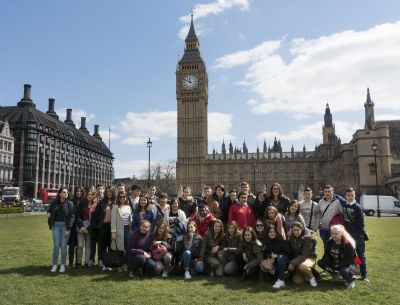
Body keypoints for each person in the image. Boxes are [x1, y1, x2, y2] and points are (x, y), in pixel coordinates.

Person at [317, 224, 360, 289]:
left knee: (343, 270)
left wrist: (336, 267)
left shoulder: (347, 244)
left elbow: (349, 260)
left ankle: (351, 281)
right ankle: (335, 275)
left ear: (341, 234)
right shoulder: (330, 242)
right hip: (338, 263)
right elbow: (326, 255)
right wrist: (326, 266)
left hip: (352, 266)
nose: (333, 235)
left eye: (336, 234)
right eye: (332, 233)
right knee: (321, 262)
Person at [47, 186, 76, 273]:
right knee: (56, 246)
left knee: (63, 246)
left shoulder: (70, 204)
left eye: (66, 192)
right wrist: (48, 213)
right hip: (56, 226)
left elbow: (72, 217)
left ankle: (62, 265)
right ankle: (55, 265)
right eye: (64, 192)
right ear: (59, 193)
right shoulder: (54, 202)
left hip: (65, 227)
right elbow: (49, 210)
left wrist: (68, 229)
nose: (66, 194)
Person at [342, 187, 368, 282]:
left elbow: (361, 223)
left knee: (361, 256)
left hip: (357, 236)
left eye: (352, 195)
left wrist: (360, 235)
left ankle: (364, 275)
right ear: (345, 196)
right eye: (348, 195)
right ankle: (356, 272)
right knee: (353, 256)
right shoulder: (344, 204)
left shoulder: (357, 207)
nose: (350, 197)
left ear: (354, 195)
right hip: (349, 236)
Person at [287, 222, 318, 287]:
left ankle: (312, 278)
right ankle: (305, 275)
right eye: (294, 230)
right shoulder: (291, 239)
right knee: (297, 281)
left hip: (309, 258)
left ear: (302, 230)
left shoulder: (307, 238)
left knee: (303, 266)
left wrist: (292, 263)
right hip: (299, 260)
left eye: (298, 230)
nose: (296, 232)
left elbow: (304, 255)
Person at [260, 224, 290, 288]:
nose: (272, 233)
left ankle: (281, 280)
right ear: (267, 233)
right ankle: (281, 276)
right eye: (270, 232)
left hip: (284, 261)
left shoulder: (281, 241)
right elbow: (265, 255)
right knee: (264, 266)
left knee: (280, 257)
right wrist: (270, 256)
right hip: (273, 263)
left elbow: (288, 253)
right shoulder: (265, 243)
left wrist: (277, 255)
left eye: (274, 232)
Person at [91, 186, 114, 271]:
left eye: (111, 191)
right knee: (102, 245)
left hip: (112, 227)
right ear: (105, 192)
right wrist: (96, 225)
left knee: (111, 245)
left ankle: (110, 263)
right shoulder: (101, 202)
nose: (109, 193)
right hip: (103, 226)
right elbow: (96, 215)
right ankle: (102, 262)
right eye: (108, 191)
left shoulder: (115, 202)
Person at [318, 184, 345, 251]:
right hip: (323, 229)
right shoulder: (321, 201)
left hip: (334, 230)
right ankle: (327, 261)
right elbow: (319, 214)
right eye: (325, 191)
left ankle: (336, 260)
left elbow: (342, 214)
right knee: (326, 247)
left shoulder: (337, 202)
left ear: (333, 192)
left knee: (336, 247)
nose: (327, 193)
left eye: (329, 191)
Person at [111, 191, 132, 272]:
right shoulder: (115, 207)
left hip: (127, 229)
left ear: (126, 198)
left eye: (124, 197)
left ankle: (125, 264)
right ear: (118, 198)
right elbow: (113, 221)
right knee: (119, 248)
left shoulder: (128, 207)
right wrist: (113, 232)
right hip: (119, 229)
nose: (122, 198)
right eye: (120, 197)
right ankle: (119, 265)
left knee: (127, 248)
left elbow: (130, 220)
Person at [76, 190, 97, 268]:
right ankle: (78, 262)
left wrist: (89, 228)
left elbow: (95, 220)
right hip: (81, 227)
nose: (89, 196)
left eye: (91, 195)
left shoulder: (95, 205)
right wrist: (81, 226)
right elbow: (77, 216)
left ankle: (86, 263)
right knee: (80, 245)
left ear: (93, 196)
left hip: (90, 228)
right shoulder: (82, 204)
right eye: (88, 194)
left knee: (88, 246)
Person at [68, 186, 85, 268]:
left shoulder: (84, 201)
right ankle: (71, 263)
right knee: (71, 246)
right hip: (72, 226)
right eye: (77, 191)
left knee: (79, 246)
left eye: (80, 191)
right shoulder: (71, 201)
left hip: (80, 226)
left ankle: (78, 262)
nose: (79, 193)